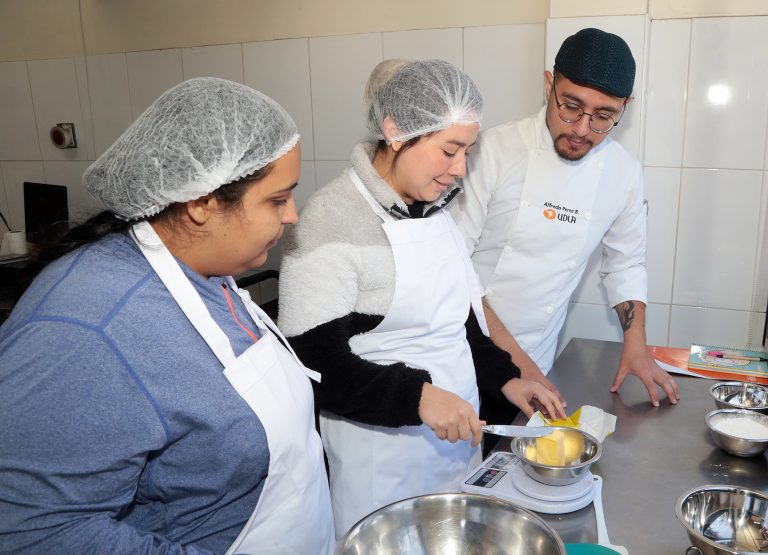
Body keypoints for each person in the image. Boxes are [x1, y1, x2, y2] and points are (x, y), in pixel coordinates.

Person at [0, 78, 335, 554]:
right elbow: (33, 531)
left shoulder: (206, 271)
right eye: (277, 200)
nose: (292, 216)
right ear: (201, 203)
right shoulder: (90, 331)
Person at [278, 59, 566, 538]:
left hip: (456, 451)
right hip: (383, 468)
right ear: (396, 132)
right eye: (449, 150)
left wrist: (508, 380)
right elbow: (313, 363)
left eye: (468, 151)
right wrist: (417, 396)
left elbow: (461, 324)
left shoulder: (434, 212)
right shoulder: (330, 220)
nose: (460, 169)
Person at [452, 28, 680, 414]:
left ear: (625, 107)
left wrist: (636, 345)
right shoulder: (491, 152)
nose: (581, 129)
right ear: (548, 85)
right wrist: (516, 365)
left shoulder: (623, 173)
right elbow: (454, 271)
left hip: (538, 361)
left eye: (604, 116)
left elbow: (625, 263)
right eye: (571, 106)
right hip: (463, 353)